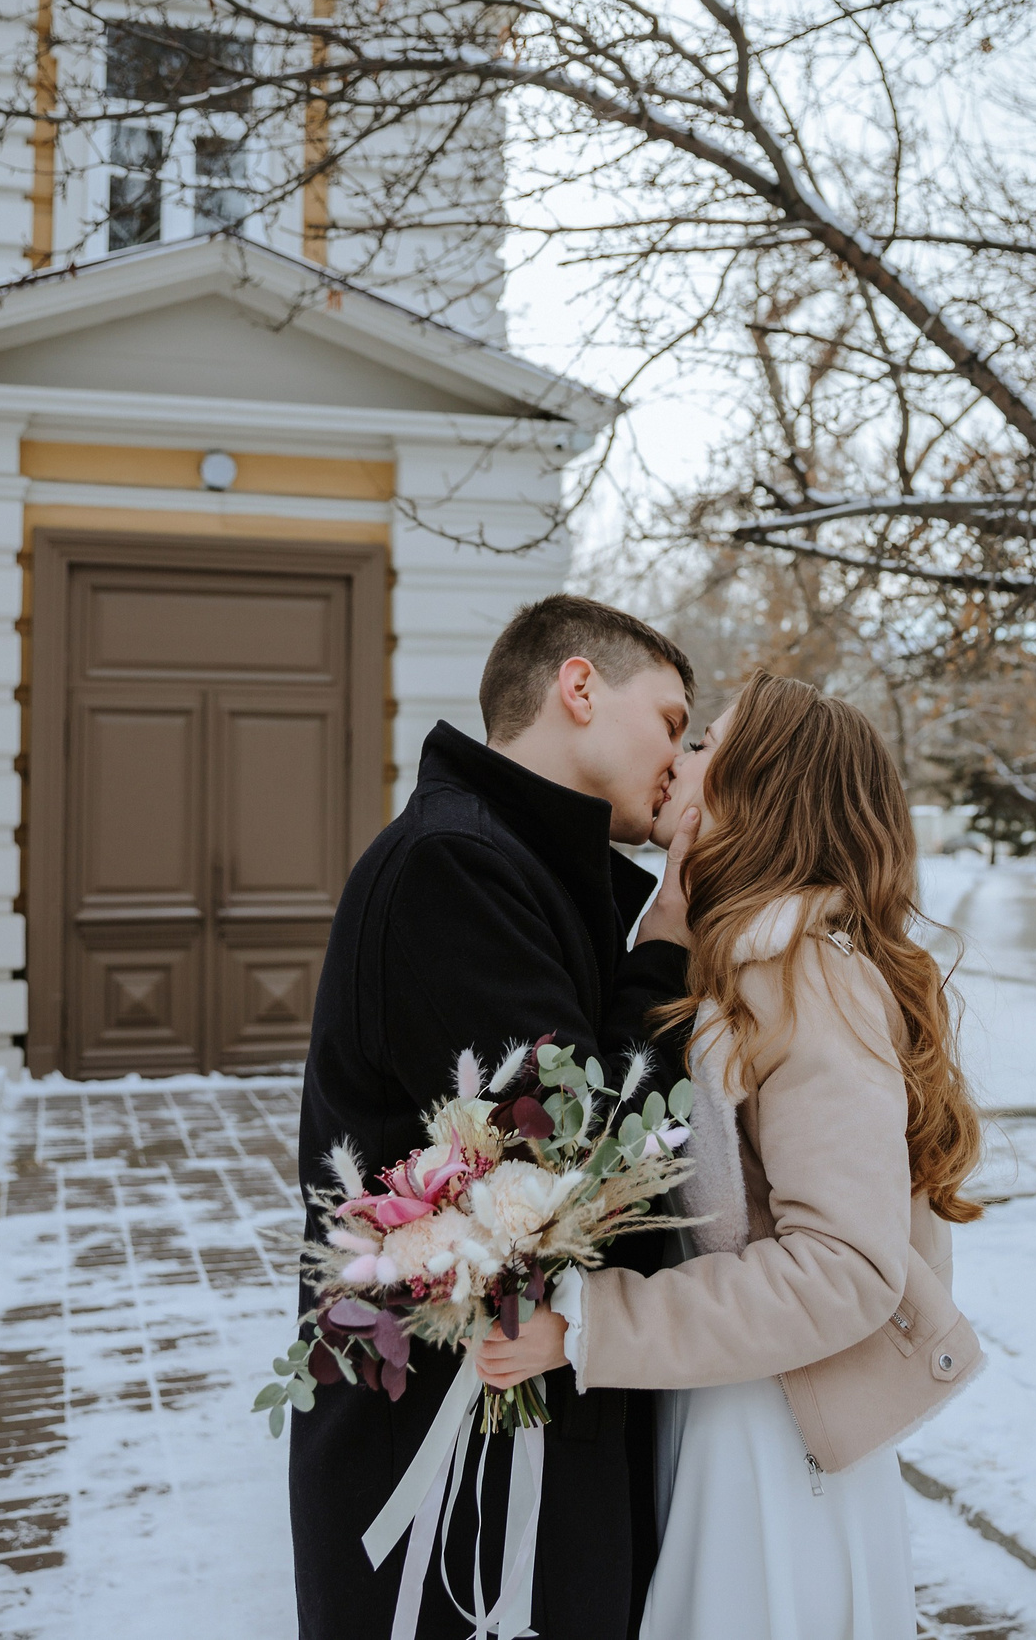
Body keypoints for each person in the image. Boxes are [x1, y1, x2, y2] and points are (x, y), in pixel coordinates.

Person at [474, 669, 988, 1640]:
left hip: (769, 1444)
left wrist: (590, 1322)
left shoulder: (806, 973)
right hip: (726, 1401)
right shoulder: (745, 959)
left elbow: (845, 1269)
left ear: (762, 789)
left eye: (706, 740)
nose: (681, 756)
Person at [291, 593, 701, 1640]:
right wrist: (668, 937)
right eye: (670, 719)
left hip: (508, 1407)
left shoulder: (518, 864)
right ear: (578, 686)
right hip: (453, 1445)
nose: (681, 755)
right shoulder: (455, 866)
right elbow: (576, 1154)